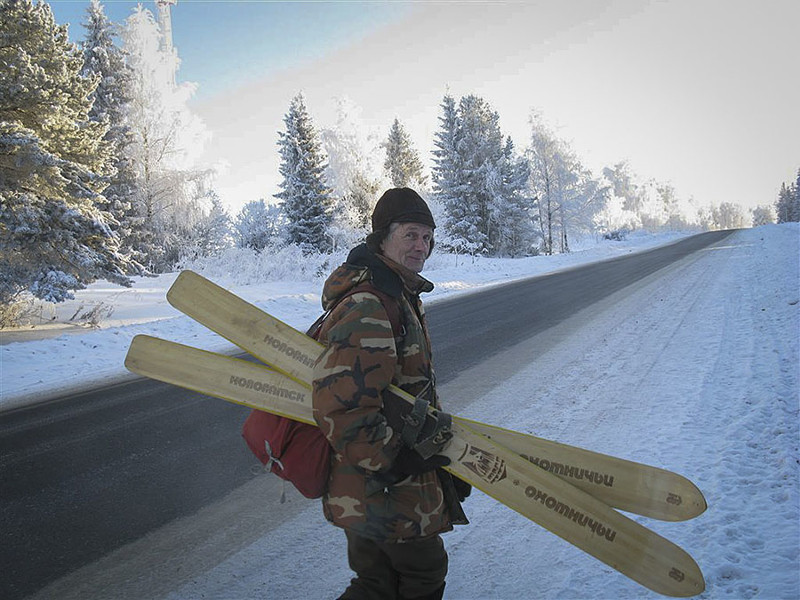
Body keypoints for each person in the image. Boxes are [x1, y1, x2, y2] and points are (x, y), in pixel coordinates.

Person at [312, 188, 470, 600]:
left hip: (376, 485)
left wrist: (441, 468)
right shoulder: (371, 304)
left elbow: (404, 396)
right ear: (382, 236)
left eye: (428, 238)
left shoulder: (396, 294)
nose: (422, 246)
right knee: (421, 577)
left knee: (377, 584)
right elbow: (341, 403)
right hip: (384, 487)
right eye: (412, 235)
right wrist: (396, 463)